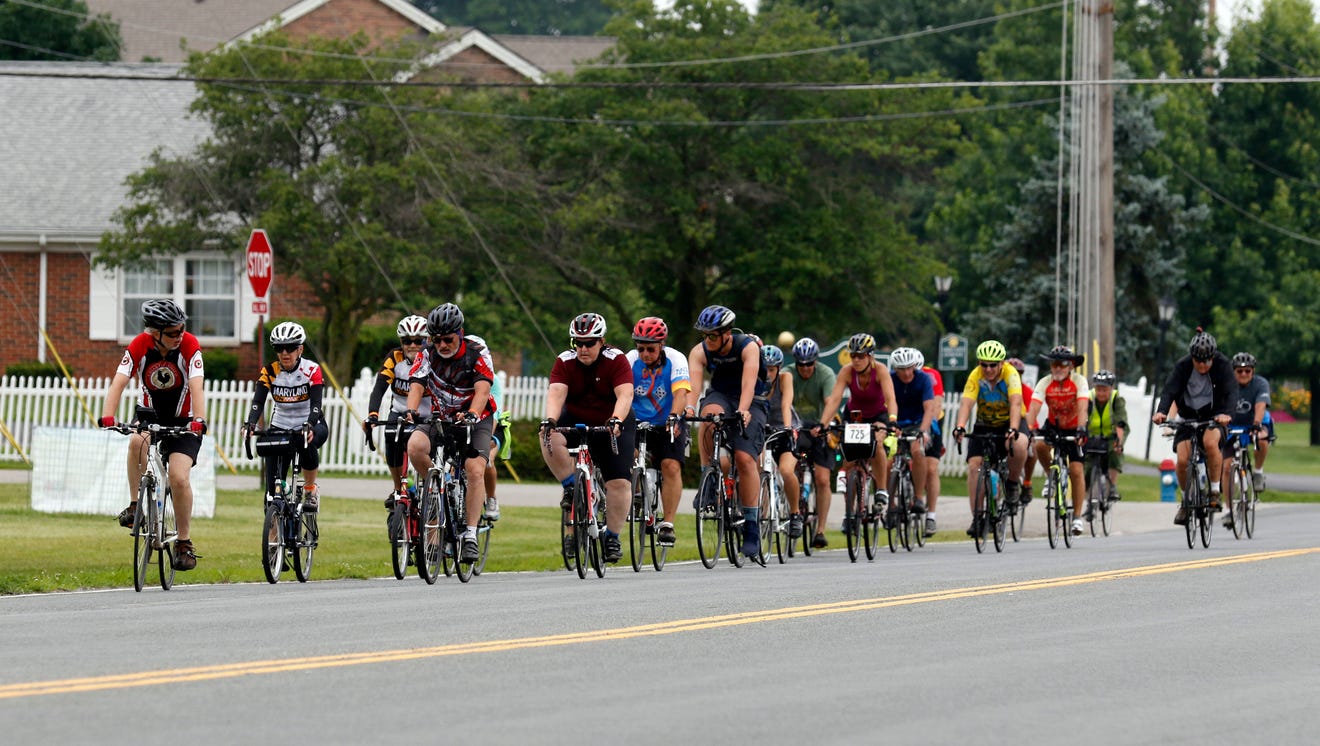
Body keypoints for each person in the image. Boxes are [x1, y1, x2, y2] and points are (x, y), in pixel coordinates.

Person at [99, 299, 207, 571]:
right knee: (137, 440)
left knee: (179, 477)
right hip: (150, 414)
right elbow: (119, 381)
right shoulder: (139, 345)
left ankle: (184, 542)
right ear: (154, 332)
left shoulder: (189, 346)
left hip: (184, 420)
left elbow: (197, 386)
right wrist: (107, 416)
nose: (179, 335)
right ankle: (136, 505)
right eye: (172, 332)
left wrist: (199, 420)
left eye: (181, 328)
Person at [404, 303, 497, 563]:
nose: (442, 345)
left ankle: (469, 534)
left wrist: (473, 414)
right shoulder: (427, 353)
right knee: (415, 446)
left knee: (475, 468)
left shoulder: (477, 352)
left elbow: (482, 390)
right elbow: (417, 385)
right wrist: (410, 411)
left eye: (448, 339)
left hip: (476, 417)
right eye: (436, 340)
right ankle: (436, 487)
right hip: (443, 417)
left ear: (460, 333)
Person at [540, 312, 636, 564]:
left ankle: (613, 536)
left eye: (590, 343)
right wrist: (550, 421)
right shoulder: (564, 360)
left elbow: (625, 395)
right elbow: (556, 394)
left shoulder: (616, 359)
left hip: (612, 420)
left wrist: (616, 419)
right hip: (576, 419)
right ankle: (572, 485)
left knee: (618, 483)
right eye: (578, 343)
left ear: (602, 341)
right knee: (547, 435)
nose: (583, 349)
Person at [687, 305, 768, 560]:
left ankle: (752, 526)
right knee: (707, 417)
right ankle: (707, 481)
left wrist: (743, 411)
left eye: (712, 335)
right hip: (721, 395)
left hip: (751, 398)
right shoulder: (699, 352)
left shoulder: (748, 347)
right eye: (704, 335)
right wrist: (689, 408)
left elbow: (749, 383)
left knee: (745, 460)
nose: (707, 340)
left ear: (727, 333)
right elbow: (695, 385)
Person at [1152, 328, 1235, 526]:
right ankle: (1186, 500)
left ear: (1213, 357)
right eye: (1198, 361)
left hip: (1215, 416)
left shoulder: (1223, 365)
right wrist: (1161, 411)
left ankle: (1214, 491)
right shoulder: (1182, 366)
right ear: (1192, 357)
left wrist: (1227, 415)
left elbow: (1232, 392)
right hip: (1188, 416)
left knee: (1210, 442)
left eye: (1207, 361)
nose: (1203, 365)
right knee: (1182, 460)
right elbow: (1169, 390)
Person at [242, 322, 329, 511]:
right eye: (279, 348)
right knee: (271, 492)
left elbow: (316, 404)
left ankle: (310, 489)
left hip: (311, 422)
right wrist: (250, 423)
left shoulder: (311, 370)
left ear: (300, 349)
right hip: (280, 425)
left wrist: (310, 424)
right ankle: (275, 529)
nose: (284, 353)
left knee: (306, 441)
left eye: (290, 348)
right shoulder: (270, 371)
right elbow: (258, 401)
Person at [820, 333, 898, 536]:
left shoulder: (880, 371)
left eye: (860, 356)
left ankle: (881, 490)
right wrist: (823, 424)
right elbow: (835, 399)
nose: (855, 360)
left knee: (878, 444)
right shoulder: (847, 372)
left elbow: (890, 397)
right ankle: (850, 513)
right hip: (855, 415)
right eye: (853, 355)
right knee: (848, 464)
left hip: (878, 415)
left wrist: (892, 419)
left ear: (870, 356)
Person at [625, 316, 692, 547]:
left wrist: (674, 417)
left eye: (651, 349)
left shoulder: (676, 359)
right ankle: (636, 493)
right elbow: (621, 393)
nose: (645, 354)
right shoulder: (630, 360)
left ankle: (668, 524)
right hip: (637, 420)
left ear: (662, 345)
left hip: (667, 419)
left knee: (670, 465)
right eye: (641, 348)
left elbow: (682, 393)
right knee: (626, 455)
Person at [952, 339, 1027, 537]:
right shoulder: (976, 376)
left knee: (1019, 444)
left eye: (993, 365)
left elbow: (1016, 404)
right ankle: (977, 518)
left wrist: (1012, 428)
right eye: (983, 364)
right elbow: (967, 404)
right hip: (984, 423)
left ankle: (1011, 484)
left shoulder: (1011, 374)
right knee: (974, 466)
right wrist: (960, 426)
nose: (988, 369)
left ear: (1002, 364)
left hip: (1008, 422)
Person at [364, 315, 432, 506]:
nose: (412, 345)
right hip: (400, 411)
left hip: (427, 414)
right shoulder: (395, 358)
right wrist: (373, 414)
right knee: (390, 438)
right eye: (406, 341)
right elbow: (379, 387)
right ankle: (397, 488)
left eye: (418, 341)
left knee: (427, 449)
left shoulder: (432, 359)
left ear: (426, 340)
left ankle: (432, 487)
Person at [1026, 345, 1090, 536]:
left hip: (1074, 427)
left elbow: (1082, 407)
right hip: (1054, 426)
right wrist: (1030, 428)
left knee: (1076, 471)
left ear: (1071, 366)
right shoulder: (1045, 382)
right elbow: (1033, 408)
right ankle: (1051, 477)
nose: (1058, 368)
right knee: (1039, 444)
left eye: (1063, 364)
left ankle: (1077, 518)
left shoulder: (1079, 381)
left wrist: (1081, 428)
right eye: (1054, 364)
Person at [788, 337, 838, 548]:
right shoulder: (788, 373)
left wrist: (823, 424)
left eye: (809, 364)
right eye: (801, 364)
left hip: (819, 425)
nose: (805, 368)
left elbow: (831, 402)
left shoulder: (825, 374)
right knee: (788, 468)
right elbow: (784, 401)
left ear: (815, 362)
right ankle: (792, 510)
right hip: (796, 426)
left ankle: (820, 530)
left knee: (823, 479)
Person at [886, 347, 938, 529]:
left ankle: (918, 497)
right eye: (902, 369)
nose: (907, 373)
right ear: (895, 369)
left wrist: (923, 431)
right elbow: (885, 404)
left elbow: (929, 408)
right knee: (887, 459)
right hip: (896, 422)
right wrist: (890, 426)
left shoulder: (923, 379)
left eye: (910, 368)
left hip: (918, 423)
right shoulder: (890, 379)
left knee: (918, 450)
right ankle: (890, 505)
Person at [762, 344, 803, 538]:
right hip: (761, 429)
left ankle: (795, 514)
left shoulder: (785, 378)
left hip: (784, 428)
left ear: (779, 368)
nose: (768, 373)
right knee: (757, 468)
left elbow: (786, 403)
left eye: (772, 369)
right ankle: (757, 513)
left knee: (786, 470)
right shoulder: (755, 379)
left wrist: (787, 428)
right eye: (765, 368)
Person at [466, 333, 504, 522]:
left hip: (491, 423)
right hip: (466, 422)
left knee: (486, 459)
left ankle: (491, 498)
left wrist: (487, 437)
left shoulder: (493, 379)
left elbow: (493, 413)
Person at [1228, 352, 1272, 493]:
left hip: (1254, 421)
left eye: (1248, 370)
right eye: (1239, 371)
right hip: (1232, 423)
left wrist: (1256, 424)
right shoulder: (1227, 384)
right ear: (1233, 371)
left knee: (1262, 438)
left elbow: (1261, 404)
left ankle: (1258, 472)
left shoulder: (1260, 383)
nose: (1244, 374)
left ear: (1253, 371)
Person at [1085, 369, 1127, 501]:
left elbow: (1120, 423)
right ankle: (1085, 496)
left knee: (1115, 454)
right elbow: (1082, 418)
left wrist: (1119, 443)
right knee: (1085, 466)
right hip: (1091, 436)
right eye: (1098, 389)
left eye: (1105, 390)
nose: (1101, 393)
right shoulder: (1088, 398)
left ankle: (1112, 487)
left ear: (1111, 388)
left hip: (1111, 435)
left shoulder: (1116, 399)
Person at [917, 350, 945, 536]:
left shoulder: (931, 375)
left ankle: (931, 516)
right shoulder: (896, 377)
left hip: (931, 422)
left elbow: (936, 405)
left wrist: (926, 428)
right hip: (908, 421)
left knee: (931, 468)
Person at [1008, 357, 1038, 505]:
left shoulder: (1026, 391)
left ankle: (1027, 482)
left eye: (1018, 373)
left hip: (1022, 423)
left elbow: (1031, 415)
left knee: (1032, 450)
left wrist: (1031, 431)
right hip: (1003, 423)